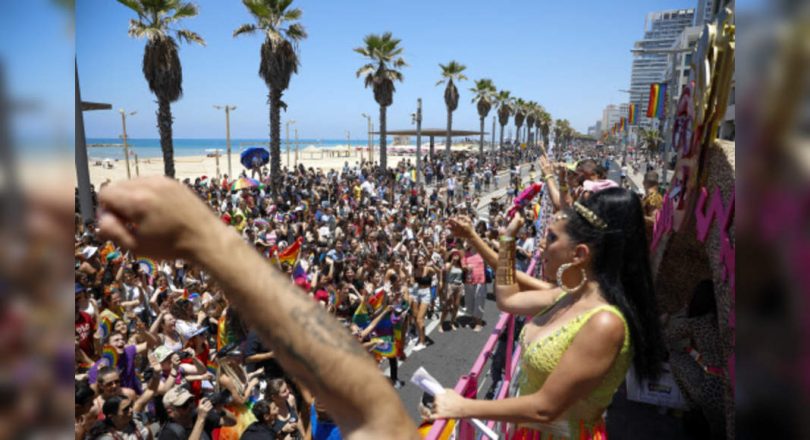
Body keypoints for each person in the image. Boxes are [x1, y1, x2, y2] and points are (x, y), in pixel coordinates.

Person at [435, 188, 665, 439]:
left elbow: (546, 408)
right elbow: (508, 298)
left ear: (579, 255)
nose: (542, 247)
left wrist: (463, 406)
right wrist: (507, 240)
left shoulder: (605, 323)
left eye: (552, 239)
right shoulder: (567, 297)